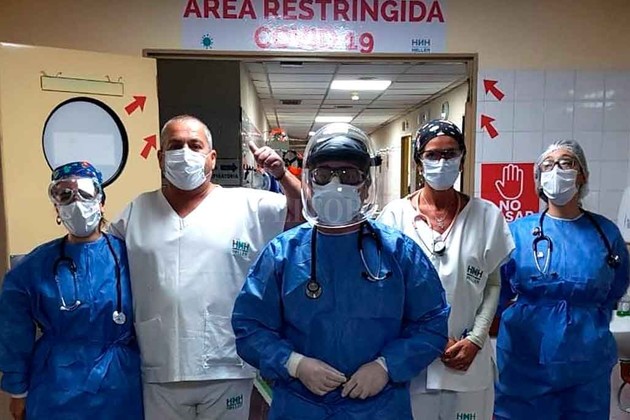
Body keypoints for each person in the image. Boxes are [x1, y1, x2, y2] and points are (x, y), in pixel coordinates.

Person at [232, 122, 450, 419]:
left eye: (348, 175)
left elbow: (432, 323)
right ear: (310, 183)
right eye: (323, 175)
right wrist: (294, 364)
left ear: (366, 185)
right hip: (300, 406)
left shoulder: (398, 252)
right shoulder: (283, 254)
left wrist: (386, 366)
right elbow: (250, 326)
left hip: (379, 407)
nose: (335, 185)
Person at [110, 115, 302, 420]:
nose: (184, 152)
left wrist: (282, 174)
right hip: (159, 365)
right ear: (160, 158)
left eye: (194, 145)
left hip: (227, 363)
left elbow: (306, 212)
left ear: (211, 157)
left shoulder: (248, 205)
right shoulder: (135, 212)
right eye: (175, 146)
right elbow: (107, 268)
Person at [378, 119, 514, 420]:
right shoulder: (394, 218)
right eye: (432, 155)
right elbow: (383, 291)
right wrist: (428, 338)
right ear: (419, 163)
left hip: (467, 359)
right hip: (413, 358)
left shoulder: (486, 215)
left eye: (450, 154)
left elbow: (492, 284)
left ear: (462, 159)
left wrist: (477, 339)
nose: (442, 162)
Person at [495, 140, 630, 419]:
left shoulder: (606, 234)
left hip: (587, 362)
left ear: (582, 175)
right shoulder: (517, 233)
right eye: (547, 165)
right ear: (539, 179)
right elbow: (497, 290)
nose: (556, 170)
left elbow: (616, 286)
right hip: (526, 359)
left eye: (566, 163)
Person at [0, 161, 143, 420]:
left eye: (86, 193)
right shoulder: (35, 266)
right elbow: (14, 331)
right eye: (64, 195)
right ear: (56, 208)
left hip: (120, 383)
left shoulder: (130, 256)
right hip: (57, 385)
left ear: (101, 202)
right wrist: (17, 390)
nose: (76, 203)